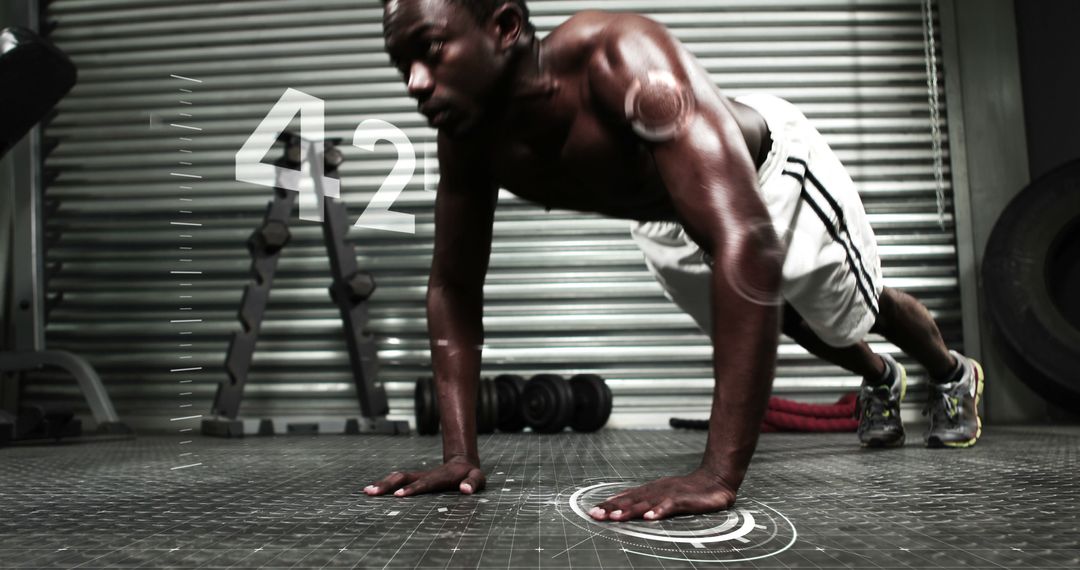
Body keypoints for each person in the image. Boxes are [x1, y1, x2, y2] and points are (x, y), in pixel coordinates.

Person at [363, 0, 985, 521]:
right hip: (666, 212)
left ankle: (950, 369)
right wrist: (459, 454)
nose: (414, 82)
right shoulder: (467, 136)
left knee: (849, 306)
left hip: (766, 174)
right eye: (401, 64)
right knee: (777, 319)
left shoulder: (618, 57)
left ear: (502, 28)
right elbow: (453, 287)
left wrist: (717, 473)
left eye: (433, 49)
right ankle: (881, 376)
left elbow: (747, 239)